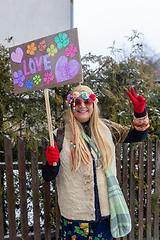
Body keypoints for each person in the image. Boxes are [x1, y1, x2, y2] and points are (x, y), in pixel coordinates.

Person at [42, 85, 149, 240]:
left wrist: (140, 112)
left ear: (94, 103)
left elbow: (137, 136)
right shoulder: (58, 136)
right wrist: (52, 163)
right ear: (70, 105)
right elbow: (47, 176)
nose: (82, 105)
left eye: (87, 101)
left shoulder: (107, 129)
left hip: (104, 218)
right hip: (75, 218)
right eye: (77, 102)